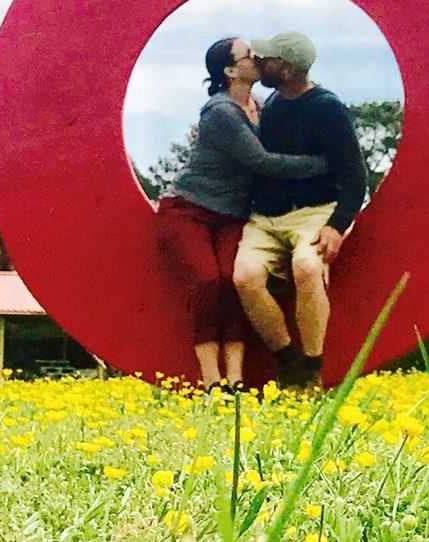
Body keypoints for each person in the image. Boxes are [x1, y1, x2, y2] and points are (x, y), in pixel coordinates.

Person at [154, 37, 326, 390]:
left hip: (232, 215)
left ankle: (235, 379)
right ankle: (211, 380)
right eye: (249, 55)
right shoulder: (221, 112)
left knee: (236, 282)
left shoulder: (262, 105)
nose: (257, 58)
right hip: (190, 210)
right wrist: (320, 165)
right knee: (207, 280)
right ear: (231, 71)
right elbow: (261, 161)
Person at [232, 29, 368, 388]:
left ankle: (313, 366)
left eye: (268, 59)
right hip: (267, 217)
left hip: (314, 211)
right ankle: (287, 359)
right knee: (245, 277)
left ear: (288, 70)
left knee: (307, 266)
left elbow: (356, 176)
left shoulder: (327, 109)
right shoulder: (273, 104)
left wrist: (337, 226)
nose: (259, 62)